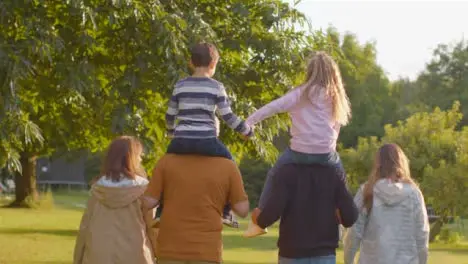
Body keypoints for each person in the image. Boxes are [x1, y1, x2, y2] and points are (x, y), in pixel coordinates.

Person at [244, 51, 351, 237]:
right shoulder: (336, 97)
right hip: (326, 153)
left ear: (310, 72)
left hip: (299, 152)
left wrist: (248, 122)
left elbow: (273, 107)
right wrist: (328, 150)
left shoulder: (300, 93)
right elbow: (336, 129)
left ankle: (260, 220)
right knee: (341, 179)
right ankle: (341, 214)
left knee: (274, 173)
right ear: (333, 74)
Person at [164, 42, 253, 227]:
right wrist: (245, 130)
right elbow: (227, 116)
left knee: (165, 168)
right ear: (213, 64)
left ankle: (160, 210)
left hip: (181, 140)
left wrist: (171, 133)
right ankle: (227, 212)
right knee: (230, 165)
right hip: (207, 140)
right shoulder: (216, 87)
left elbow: (170, 114)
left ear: (191, 62)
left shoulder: (180, 85)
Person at [142, 153, 250, 264]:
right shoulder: (227, 165)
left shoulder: (166, 161)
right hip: (207, 250)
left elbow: (148, 202)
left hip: (170, 249)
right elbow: (243, 210)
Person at [252, 163, 358, 264]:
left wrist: (259, 218)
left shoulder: (287, 172)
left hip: (291, 253)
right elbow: (350, 217)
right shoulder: (334, 173)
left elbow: (269, 215)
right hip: (323, 255)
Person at [73, 136, 155, 264]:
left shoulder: (97, 190)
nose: (141, 159)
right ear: (131, 158)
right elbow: (153, 228)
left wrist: (78, 258)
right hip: (136, 256)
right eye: (139, 155)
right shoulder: (144, 190)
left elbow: (85, 228)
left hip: (98, 256)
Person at [343, 144, 429, 264]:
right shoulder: (413, 194)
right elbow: (422, 234)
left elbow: (354, 233)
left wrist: (349, 260)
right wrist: (423, 260)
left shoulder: (366, 191)